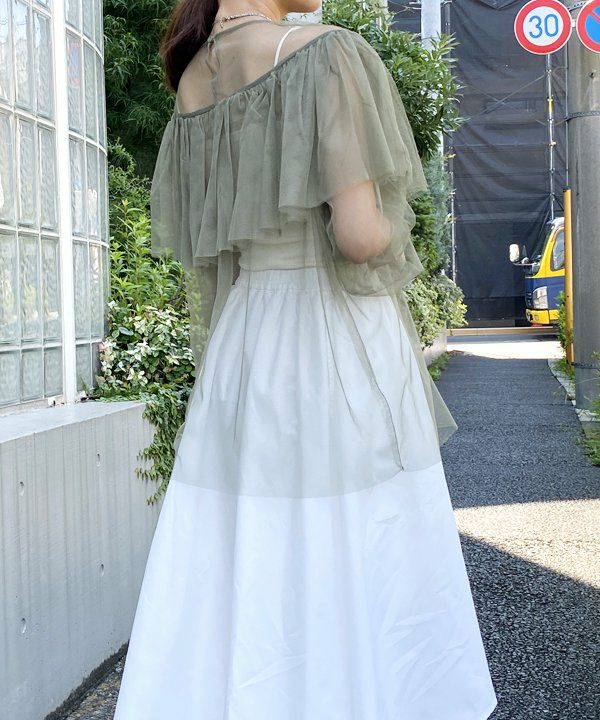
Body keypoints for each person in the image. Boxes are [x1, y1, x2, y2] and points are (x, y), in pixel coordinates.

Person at [113, 2, 499, 718]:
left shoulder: (193, 79)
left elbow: (217, 244)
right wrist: (391, 221)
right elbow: (359, 237)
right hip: (329, 329)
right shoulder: (323, 52)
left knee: (252, 534)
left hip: (247, 334)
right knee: (354, 531)